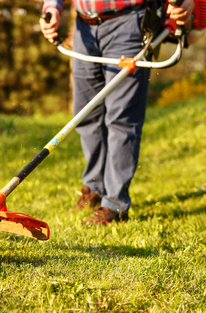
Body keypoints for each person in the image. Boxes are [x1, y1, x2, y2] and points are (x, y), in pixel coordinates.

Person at [40, 0, 194, 225]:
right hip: (84, 26)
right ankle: (94, 187)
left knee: (122, 119)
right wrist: (52, 7)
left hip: (128, 23)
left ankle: (115, 205)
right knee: (86, 114)